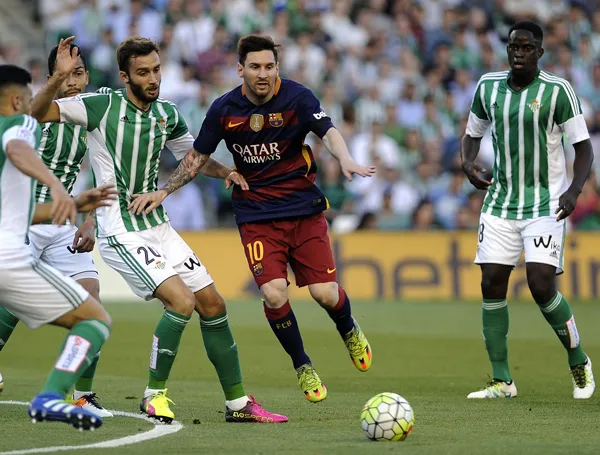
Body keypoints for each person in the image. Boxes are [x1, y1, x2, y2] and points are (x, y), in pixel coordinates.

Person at [31, 37, 286, 424]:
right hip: (121, 229)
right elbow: (36, 113)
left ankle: (238, 404)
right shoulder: (100, 106)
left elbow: (193, 157)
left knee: (213, 304)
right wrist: (58, 78)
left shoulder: (167, 113)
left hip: (157, 225)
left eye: (156, 70)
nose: (153, 79)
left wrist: (227, 171)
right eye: (143, 73)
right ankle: (154, 396)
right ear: (125, 77)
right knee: (181, 302)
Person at [131, 35, 376, 403]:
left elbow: (328, 132)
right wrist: (164, 190)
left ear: (277, 68)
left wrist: (345, 159)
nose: (263, 74)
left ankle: (349, 328)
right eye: (255, 67)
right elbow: (196, 158)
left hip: (303, 209)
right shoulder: (224, 109)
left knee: (324, 293)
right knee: (273, 293)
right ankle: (302, 364)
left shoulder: (297, 97)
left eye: (269, 66)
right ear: (240, 69)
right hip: (257, 214)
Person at [461, 21, 595, 399]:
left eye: (526, 48)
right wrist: (467, 164)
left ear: (540, 52)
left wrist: (574, 190)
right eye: (513, 47)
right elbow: (472, 135)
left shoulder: (558, 91)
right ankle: (502, 380)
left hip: (545, 204)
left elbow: (583, 148)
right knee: (491, 283)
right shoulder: (488, 86)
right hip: (500, 203)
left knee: (540, 285)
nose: (518, 53)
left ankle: (578, 360)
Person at [0, 64, 117, 429]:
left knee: (90, 296)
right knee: (94, 320)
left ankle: (81, 394)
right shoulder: (17, 126)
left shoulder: (83, 118)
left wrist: (78, 205)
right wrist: (54, 184)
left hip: (47, 222)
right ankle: (51, 395)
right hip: (11, 248)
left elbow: (19, 210)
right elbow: (18, 146)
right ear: (17, 100)